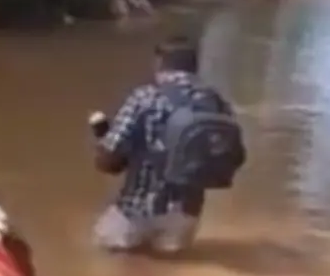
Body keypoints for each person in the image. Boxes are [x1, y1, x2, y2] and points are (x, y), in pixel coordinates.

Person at [91, 36, 243, 254]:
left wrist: (102, 138)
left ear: (160, 63)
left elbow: (108, 161)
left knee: (103, 256)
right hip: (187, 215)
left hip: (137, 211)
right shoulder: (215, 101)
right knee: (170, 270)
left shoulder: (145, 97)